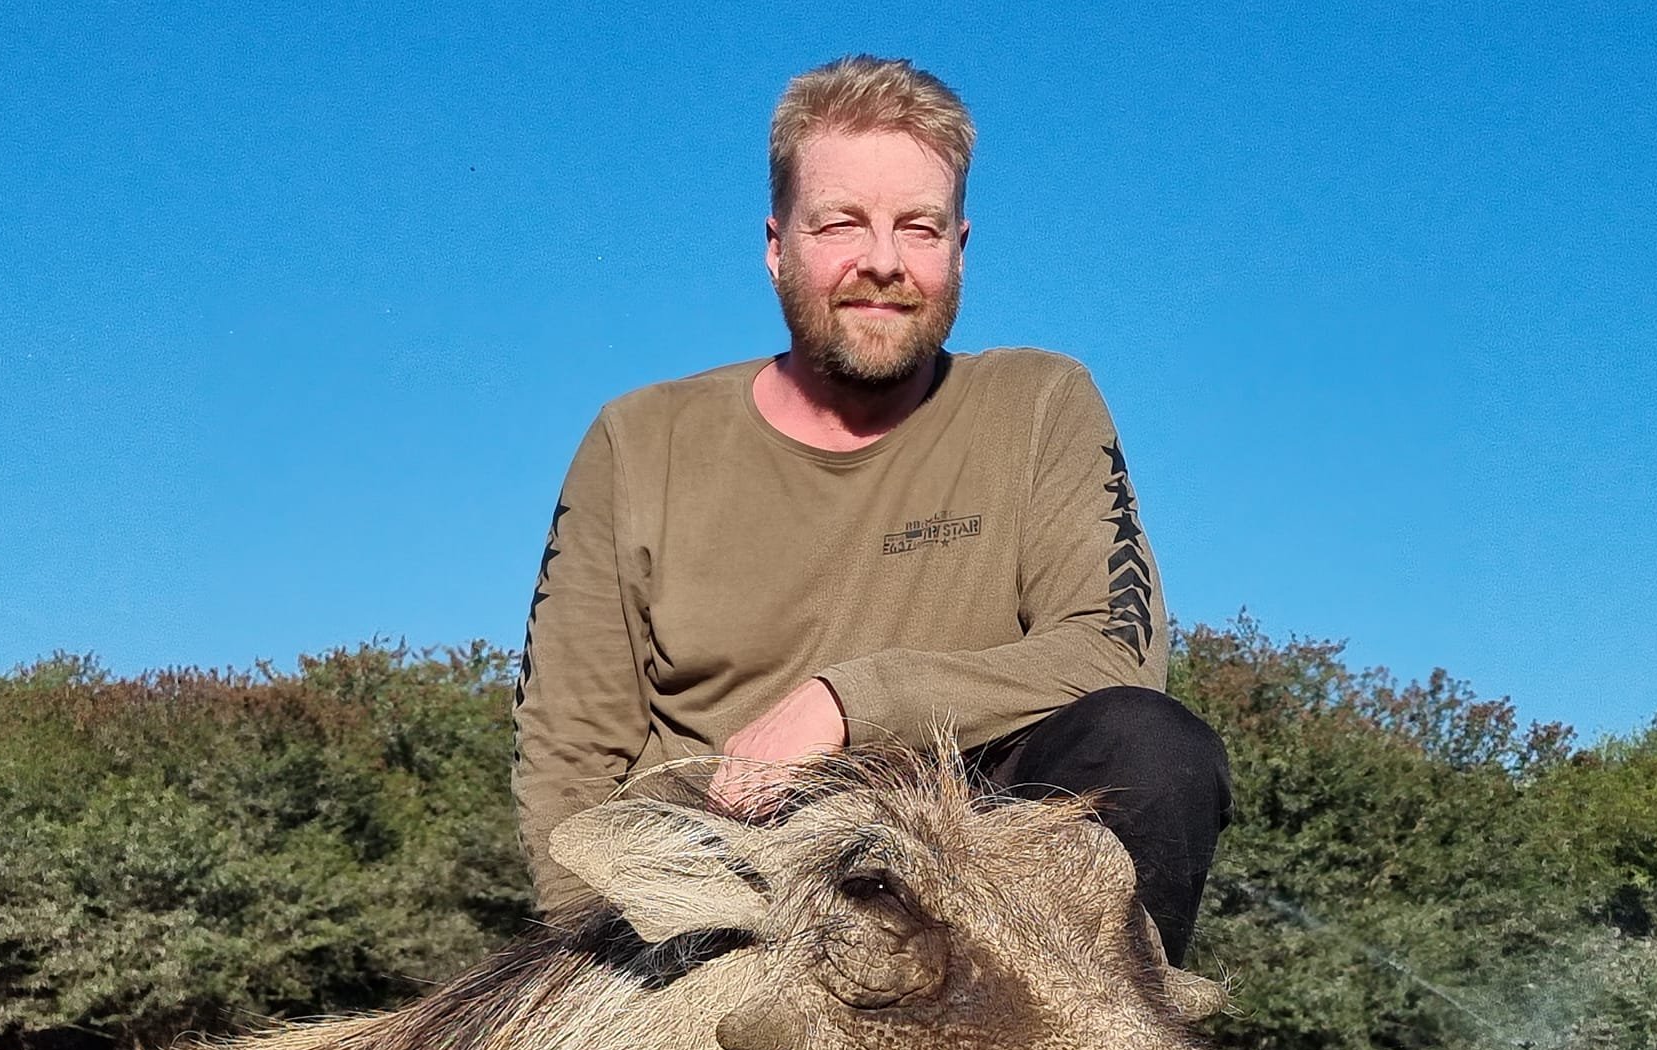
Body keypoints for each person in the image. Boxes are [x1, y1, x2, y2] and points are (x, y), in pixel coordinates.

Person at [513, 55, 1231, 964]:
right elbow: (568, 753)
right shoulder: (636, 439)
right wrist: (601, 964)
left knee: (1151, 747)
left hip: (975, 878)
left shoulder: (1042, 400)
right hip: (721, 886)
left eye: (919, 228)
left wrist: (851, 705)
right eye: (841, 223)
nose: (883, 262)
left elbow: (1113, 650)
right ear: (778, 247)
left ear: (959, 248)